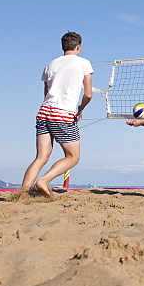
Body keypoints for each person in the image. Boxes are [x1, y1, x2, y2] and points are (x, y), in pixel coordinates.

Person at [18, 32, 94, 197]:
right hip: (63, 113)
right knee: (73, 157)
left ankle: (22, 193)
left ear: (63, 47)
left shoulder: (51, 64)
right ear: (78, 47)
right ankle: (44, 181)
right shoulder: (84, 63)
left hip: (44, 111)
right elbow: (88, 94)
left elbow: (46, 92)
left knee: (41, 157)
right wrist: (80, 109)